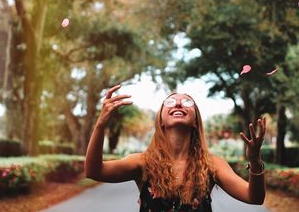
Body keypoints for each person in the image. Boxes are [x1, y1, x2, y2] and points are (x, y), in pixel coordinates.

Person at [85, 84, 266, 211]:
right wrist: (100, 125)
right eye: (170, 102)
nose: (178, 103)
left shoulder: (212, 164)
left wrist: (255, 162)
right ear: (161, 121)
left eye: (187, 102)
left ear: (195, 121)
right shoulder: (143, 162)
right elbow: (94, 171)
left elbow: (254, 198)